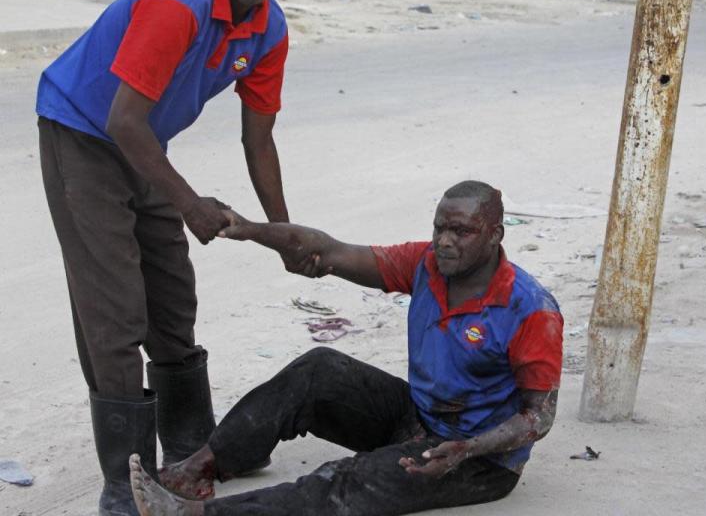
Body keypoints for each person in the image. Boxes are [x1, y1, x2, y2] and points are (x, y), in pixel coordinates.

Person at [36, 0, 301, 515]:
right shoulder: (178, 3)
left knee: (173, 296)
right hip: (81, 131)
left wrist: (282, 232)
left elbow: (258, 138)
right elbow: (121, 120)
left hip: (143, 142)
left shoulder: (270, 30)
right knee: (116, 309)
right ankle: (125, 480)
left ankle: (190, 446)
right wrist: (190, 203)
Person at [127, 180, 564, 516]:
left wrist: (468, 450)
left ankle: (199, 514)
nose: (445, 241)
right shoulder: (426, 264)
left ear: (494, 235)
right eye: (440, 228)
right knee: (319, 369)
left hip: (478, 459)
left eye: (462, 231)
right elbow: (330, 250)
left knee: (348, 482)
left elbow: (538, 417)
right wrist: (249, 229)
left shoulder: (530, 309)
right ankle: (202, 465)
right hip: (420, 415)